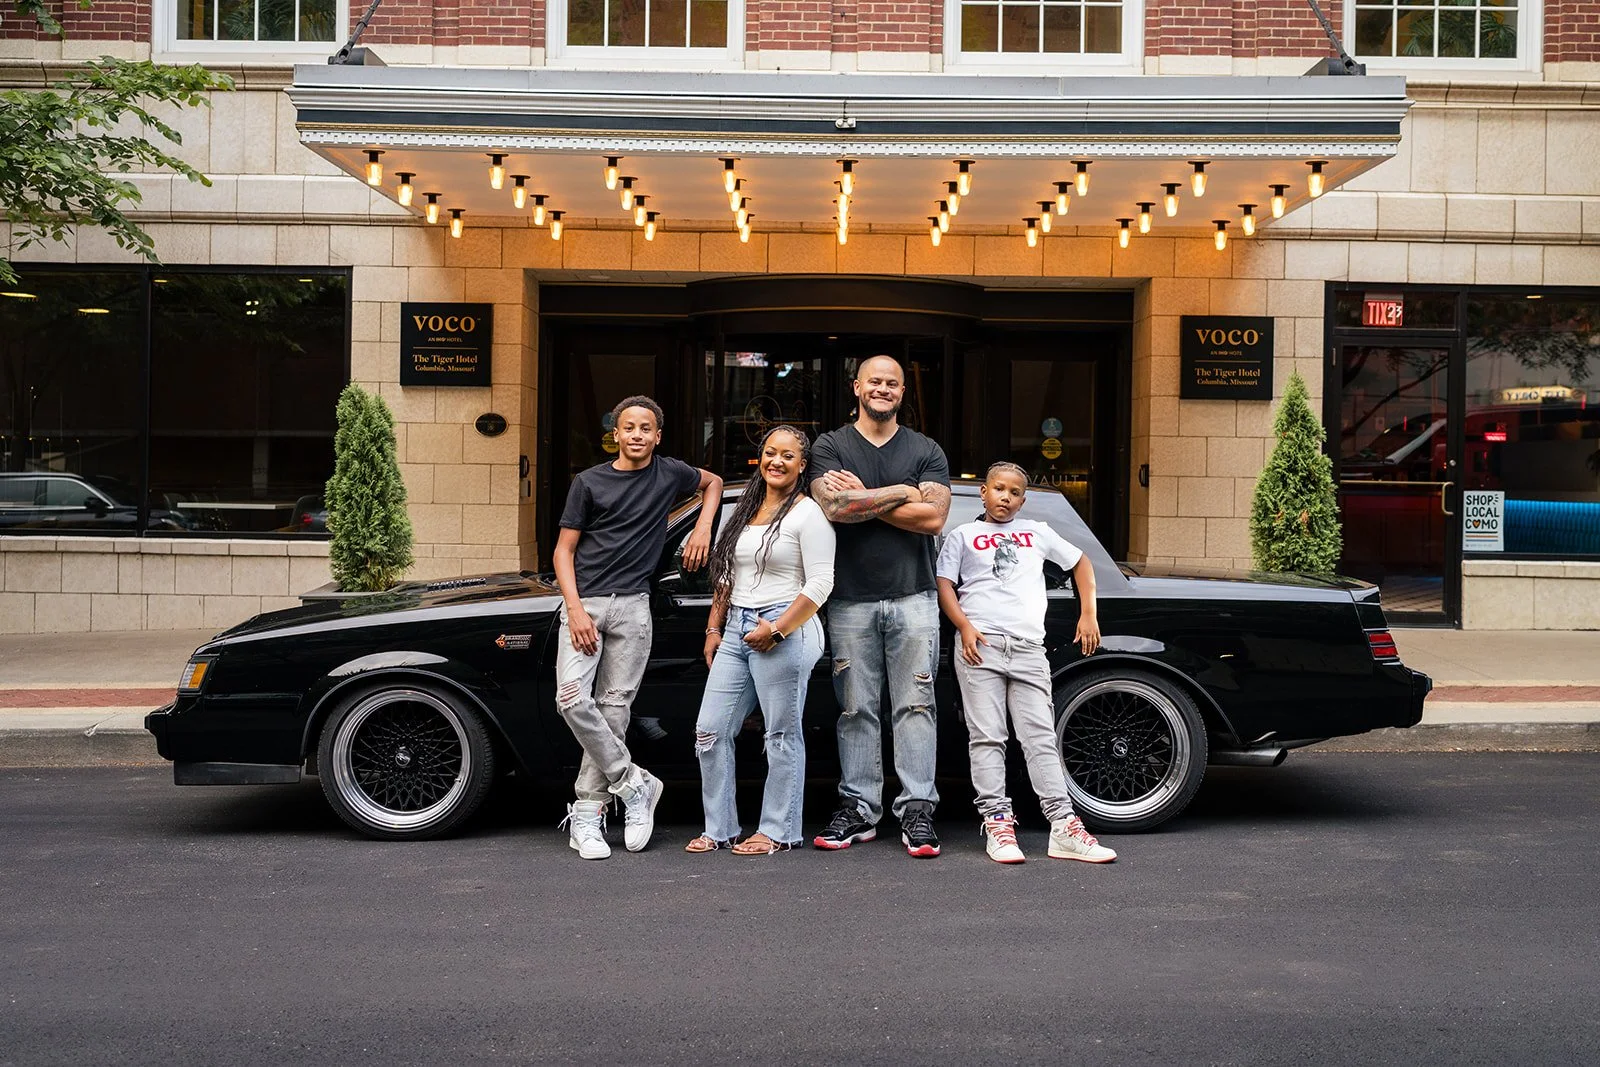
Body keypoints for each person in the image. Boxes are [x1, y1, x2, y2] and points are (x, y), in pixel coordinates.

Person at [552, 395, 723, 860]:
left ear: (657, 435)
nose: (637, 435)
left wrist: (703, 527)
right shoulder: (588, 483)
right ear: (617, 433)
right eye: (630, 427)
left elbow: (714, 483)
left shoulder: (669, 474)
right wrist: (576, 608)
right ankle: (633, 782)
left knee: (614, 710)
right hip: (586, 603)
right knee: (571, 697)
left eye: (646, 428)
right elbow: (563, 551)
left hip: (634, 607)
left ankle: (586, 816)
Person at [935, 461, 1117, 864]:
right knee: (988, 737)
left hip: (1029, 649)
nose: (1006, 497)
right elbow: (944, 584)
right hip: (980, 646)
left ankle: (1064, 827)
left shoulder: (1037, 532)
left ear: (1023, 499)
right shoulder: (963, 535)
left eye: (1015, 492)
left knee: (1040, 739)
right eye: (998, 489)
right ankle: (998, 823)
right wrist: (964, 626)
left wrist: (1090, 613)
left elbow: (1081, 562)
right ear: (984, 492)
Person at [809, 355, 951, 857]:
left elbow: (933, 519)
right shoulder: (830, 446)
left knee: (916, 706)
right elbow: (834, 507)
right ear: (857, 387)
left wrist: (865, 499)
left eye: (892, 383)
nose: (884, 389)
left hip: (914, 596)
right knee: (855, 708)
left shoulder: (926, 449)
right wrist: (896, 493)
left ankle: (918, 811)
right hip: (848, 600)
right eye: (875, 381)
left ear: (902, 391)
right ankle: (859, 810)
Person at [687, 425, 834, 855]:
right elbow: (727, 578)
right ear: (761, 457)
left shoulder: (809, 514)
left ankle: (778, 830)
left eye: (788, 456)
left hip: (786, 627)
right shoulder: (743, 512)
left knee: (781, 734)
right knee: (710, 731)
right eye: (771, 452)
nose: (777, 461)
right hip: (736, 628)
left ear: (802, 465)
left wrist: (779, 628)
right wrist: (715, 628)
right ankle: (720, 828)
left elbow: (822, 583)